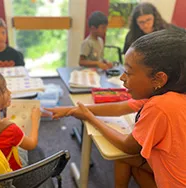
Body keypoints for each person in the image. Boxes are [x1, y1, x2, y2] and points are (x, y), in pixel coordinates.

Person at [46, 29, 186, 187]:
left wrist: (89, 117)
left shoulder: (160, 106)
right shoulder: (172, 93)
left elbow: (128, 146)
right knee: (132, 165)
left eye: (128, 72)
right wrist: (72, 109)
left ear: (159, 78)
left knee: (123, 155)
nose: (122, 77)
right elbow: (120, 108)